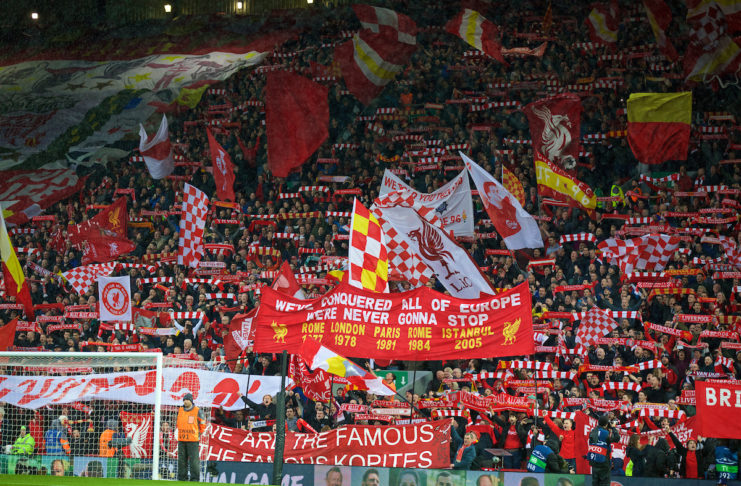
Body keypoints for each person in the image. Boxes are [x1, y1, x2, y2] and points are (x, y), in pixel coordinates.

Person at [177, 392, 206, 482]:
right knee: (181, 461)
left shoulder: (198, 410)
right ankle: (182, 478)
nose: (185, 401)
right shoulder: (180, 410)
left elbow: (203, 424)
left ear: (191, 401)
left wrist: (199, 434)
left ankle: (194, 479)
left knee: (194, 461)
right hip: (181, 439)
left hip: (193, 440)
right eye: (184, 400)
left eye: (187, 400)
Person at [588, 416, 619, 486]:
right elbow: (617, 438)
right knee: (604, 483)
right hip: (604, 463)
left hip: (594, 461)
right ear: (606, 424)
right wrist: (613, 428)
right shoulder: (606, 433)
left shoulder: (592, 431)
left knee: (595, 483)